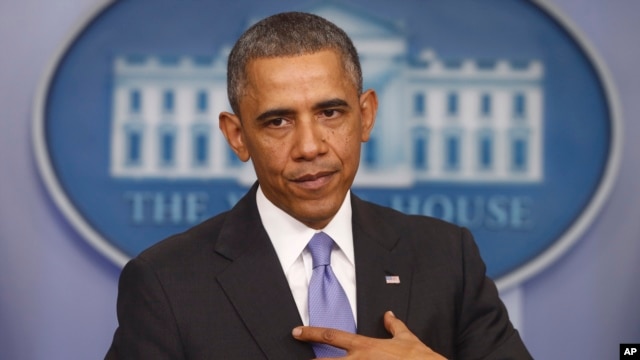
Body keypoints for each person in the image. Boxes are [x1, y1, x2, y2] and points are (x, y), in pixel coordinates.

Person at [106, 11, 532, 359]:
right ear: (237, 136)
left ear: (365, 115)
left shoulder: (445, 257)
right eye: (278, 121)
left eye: (330, 113)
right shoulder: (166, 282)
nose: (309, 147)